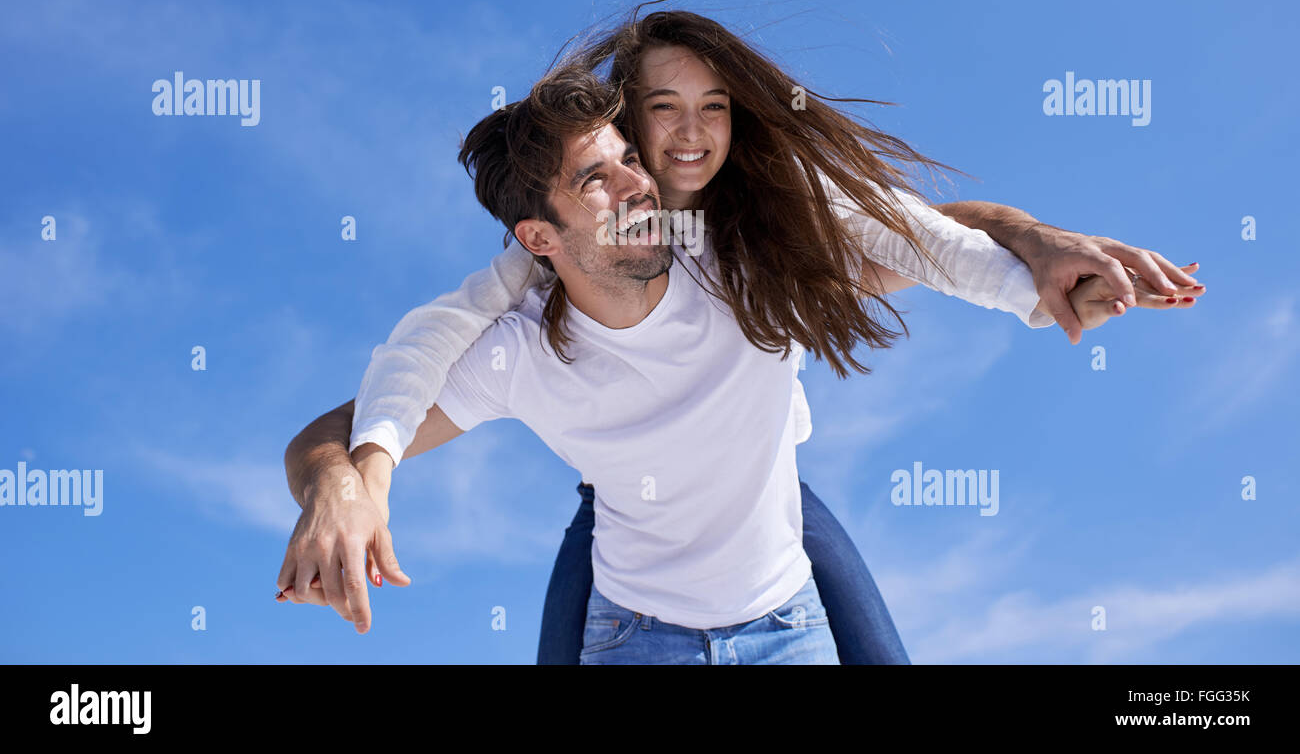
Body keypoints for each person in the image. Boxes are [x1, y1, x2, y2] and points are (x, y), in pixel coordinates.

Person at [279, 64, 1142, 664]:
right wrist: (339, 486)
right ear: (539, 239)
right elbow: (334, 430)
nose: (636, 183)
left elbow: (924, 235)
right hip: (634, 636)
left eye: (629, 158)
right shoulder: (516, 351)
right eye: (596, 180)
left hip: (787, 624)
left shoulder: (743, 270)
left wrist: (1037, 244)